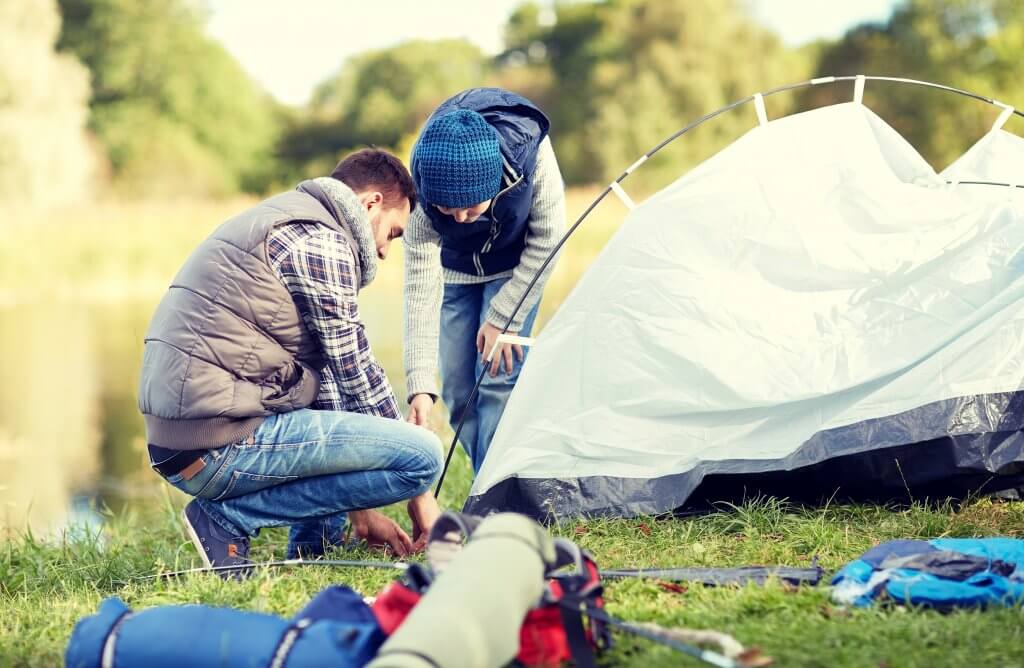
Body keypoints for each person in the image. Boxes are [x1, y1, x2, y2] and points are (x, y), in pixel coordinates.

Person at [138, 149, 442, 576]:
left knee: (317, 395)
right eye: (393, 232)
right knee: (424, 454)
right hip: (212, 444)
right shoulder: (322, 242)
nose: (385, 251)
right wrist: (421, 493)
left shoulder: (287, 220)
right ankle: (227, 520)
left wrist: (360, 511)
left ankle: (313, 545)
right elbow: (355, 369)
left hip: (187, 439)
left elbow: (329, 382)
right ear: (371, 203)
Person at [403, 88, 566, 473]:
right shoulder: (424, 185)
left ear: (493, 185)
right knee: (458, 390)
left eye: (471, 209)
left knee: (496, 382)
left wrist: (503, 315)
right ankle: (486, 479)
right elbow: (419, 292)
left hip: (516, 268)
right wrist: (419, 385)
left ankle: (498, 486)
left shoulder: (531, 153)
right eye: (447, 210)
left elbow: (549, 238)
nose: (459, 220)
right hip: (456, 273)